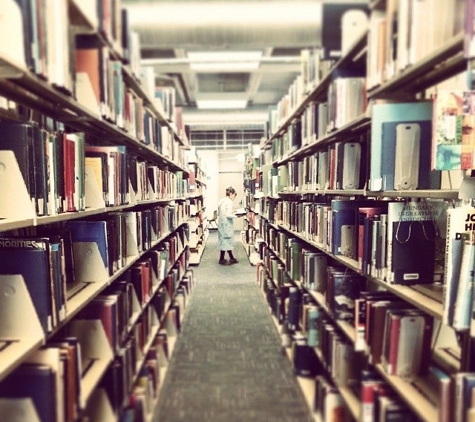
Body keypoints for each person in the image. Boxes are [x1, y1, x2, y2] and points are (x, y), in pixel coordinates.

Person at [217, 186, 239, 265]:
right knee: (227, 240)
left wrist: (232, 211)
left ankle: (225, 258)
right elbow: (228, 215)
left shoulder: (221, 200)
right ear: (231, 194)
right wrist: (237, 215)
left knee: (223, 240)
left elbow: (222, 211)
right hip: (227, 224)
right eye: (234, 195)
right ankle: (226, 259)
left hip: (221, 223)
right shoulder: (229, 202)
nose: (234, 198)